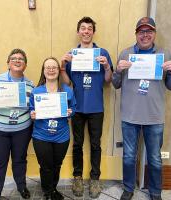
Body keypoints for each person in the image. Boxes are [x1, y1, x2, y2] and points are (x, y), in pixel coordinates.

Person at [112, 17, 171, 200]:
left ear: (154, 34)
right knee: (129, 156)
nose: (145, 35)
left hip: (154, 117)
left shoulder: (165, 55)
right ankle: (128, 188)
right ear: (136, 34)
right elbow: (116, 84)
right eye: (141, 31)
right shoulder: (125, 54)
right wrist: (117, 71)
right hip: (130, 116)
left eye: (148, 31)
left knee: (155, 159)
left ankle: (155, 192)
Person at [60, 16, 113, 199]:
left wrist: (106, 67)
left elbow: (108, 81)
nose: (86, 31)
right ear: (78, 32)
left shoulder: (102, 53)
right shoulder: (72, 54)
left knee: (96, 144)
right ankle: (77, 177)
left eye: (89, 28)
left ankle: (95, 179)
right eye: (83, 28)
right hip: (77, 107)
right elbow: (67, 84)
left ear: (93, 32)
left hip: (96, 108)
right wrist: (62, 66)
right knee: (77, 144)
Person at [0, 49, 34, 200]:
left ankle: (21, 187)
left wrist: (35, 113)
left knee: (20, 160)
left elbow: (33, 106)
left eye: (21, 59)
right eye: (14, 58)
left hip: (22, 130)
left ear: (25, 65)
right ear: (8, 63)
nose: (17, 61)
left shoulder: (30, 84)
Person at [29, 57, 76, 200]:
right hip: (41, 136)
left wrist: (70, 112)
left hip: (61, 136)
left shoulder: (67, 91)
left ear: (58, 70)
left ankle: (53, 189)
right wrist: (33, 114)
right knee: (45, 166)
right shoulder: (36, 92)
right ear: (43, 71)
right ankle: (47, 192)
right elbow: (31, 109)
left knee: (57, 165)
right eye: (47, 67)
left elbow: (74, 108)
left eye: (54, 67)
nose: (51, 70)